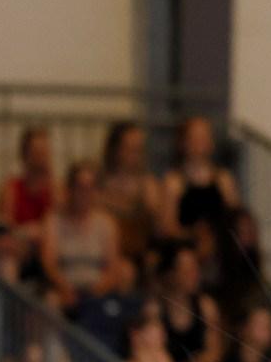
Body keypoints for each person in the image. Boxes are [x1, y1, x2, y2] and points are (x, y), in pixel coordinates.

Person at [41, 161, 119, 306]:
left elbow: (113, 267)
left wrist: (97, 291)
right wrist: (64, 288)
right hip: (65, 288)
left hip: (97, 289)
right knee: (51, 301)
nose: (85, 194)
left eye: (90, 188)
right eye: (80, 188)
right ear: (70, 189)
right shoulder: (54, 221)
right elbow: (49, 263)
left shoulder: (106, 223)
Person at [160, 117, 239, 238]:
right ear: (183, 143)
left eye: (203, 138)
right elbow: (167, 227)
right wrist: (194, 235)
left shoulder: (224, 179)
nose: (199, 144)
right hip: (185, 244)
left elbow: (236, 220)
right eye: (194, 139)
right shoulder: (173, 182)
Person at [155, 241, 224, 362]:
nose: (195, 275)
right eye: (187, 271)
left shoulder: (206, 306)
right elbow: (152, 354)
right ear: (171, 274)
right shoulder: (155, 309)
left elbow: (214, 353)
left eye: (196, 269)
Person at [99, 121, 161, 264]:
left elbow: (156, 222)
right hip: (104, 250)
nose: (135, 154)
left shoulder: (147, 184)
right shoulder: (100, 181)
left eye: (139, 149)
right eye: (130, 148)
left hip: (137, 252)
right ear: (115, 149)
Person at [0, 126, 57, 262]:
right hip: (21, 248)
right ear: (25, 154)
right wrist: (26, 233)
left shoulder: (56, 188)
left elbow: (61, 223)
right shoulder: (11, 188)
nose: (41, 156)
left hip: (49, 247)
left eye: (44, 151)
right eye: (36, 151)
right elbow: (6, 225)